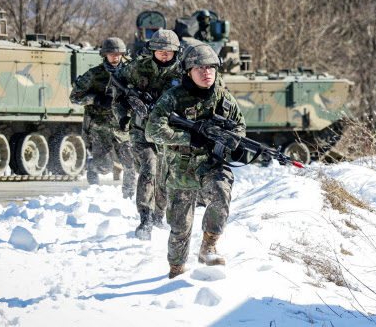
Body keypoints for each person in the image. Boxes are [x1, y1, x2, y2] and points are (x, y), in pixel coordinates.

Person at [145, 43, 246, 279]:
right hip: (181, 168)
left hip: (211, 164)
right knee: (180, 227)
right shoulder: (173, 98)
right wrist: (188, 136)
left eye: (210, 67)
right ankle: (176, 271)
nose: (206, 72)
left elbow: (240, 125)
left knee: (222, 192)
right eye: (200, 68)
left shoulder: (224, 97)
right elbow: (152, 131)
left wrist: (235, 143)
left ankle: (209, 246)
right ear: (188, 71)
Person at [113, 29, 181, 240]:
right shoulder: (137, 68)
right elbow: (117, 87)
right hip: (142, 130)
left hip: (171, 132)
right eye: (159, 50)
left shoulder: (184, 72)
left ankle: (160, 214)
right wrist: (122, 113)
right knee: (149, 167)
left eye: (168, 51)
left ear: (175, 51)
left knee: (165, 175)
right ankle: (145, 217)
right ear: (152, 50)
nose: (163, 54)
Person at [70, 37, 137, 198]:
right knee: (105, 167)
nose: (116, 57)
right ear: (105, 55)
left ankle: (128, 196)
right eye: (112, 53)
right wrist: (96, 99)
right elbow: (75, 97)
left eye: (119, 53)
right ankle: (92, 168)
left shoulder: (130, 72)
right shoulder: (94, 75)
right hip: (99, 127)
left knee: (131, 163)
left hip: (122, 125)